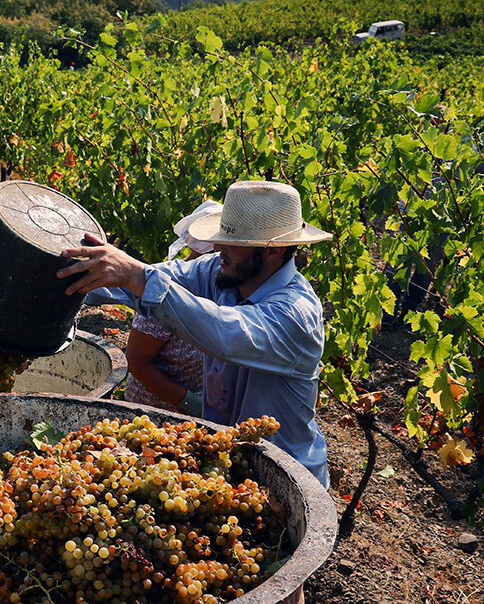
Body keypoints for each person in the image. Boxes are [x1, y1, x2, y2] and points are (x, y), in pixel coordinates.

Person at [59, 181, 333, 487]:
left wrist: (137, 276)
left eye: (234, 242)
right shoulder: (220, 271)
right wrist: (69, 272)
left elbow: (225, 331)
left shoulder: (294, 313)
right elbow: (160, 278)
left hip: (283, 478)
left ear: (276, 250)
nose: (218, 248)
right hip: (227, 466)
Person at [124, 200, 221, 417]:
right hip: (149, 414)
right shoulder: (163, 288)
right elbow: (138, 361)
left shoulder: (223, 287)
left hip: (198, 411)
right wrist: (187, 401)